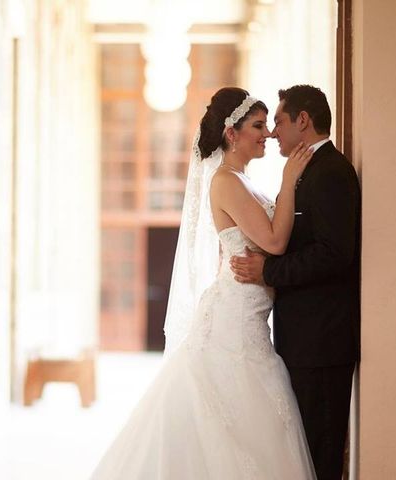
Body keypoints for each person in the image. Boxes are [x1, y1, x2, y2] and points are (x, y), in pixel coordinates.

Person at [89, 87, 316, 479]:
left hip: (249, 316)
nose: (267, 134)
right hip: (235, 321)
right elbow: (276, 241)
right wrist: (290, 178)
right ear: (232, 133)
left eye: (267, 125)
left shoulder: (246, 182)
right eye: (258, 126)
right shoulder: (226, 182)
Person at [230, 85, 361, 480]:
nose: (273, 132)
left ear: (303, 121)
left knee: (319, 457)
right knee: (301, 455)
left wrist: (267, 271)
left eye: (279, 122)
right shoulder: (308, 172)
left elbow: (334, 254)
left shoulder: (332, 173)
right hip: (303, 341)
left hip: (322, 344)